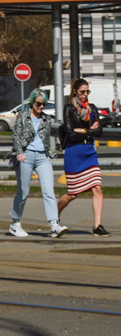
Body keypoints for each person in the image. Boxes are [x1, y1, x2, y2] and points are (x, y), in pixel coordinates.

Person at [7, 89, 66, 237]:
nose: (41, 107)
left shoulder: (46, 119)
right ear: (32, 102)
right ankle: (15, 223)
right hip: (26, 156)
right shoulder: (23, 116)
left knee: (49, 191)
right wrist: (19, 152)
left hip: (43, 157)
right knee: (23, 192)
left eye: (44, 104)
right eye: (39, 104)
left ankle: (54, 224)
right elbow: (16, 136)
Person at [58, 78, 108, 235]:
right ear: (75, 92)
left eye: (87, 92)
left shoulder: (92, 108)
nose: (85, 95)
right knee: (73, 194)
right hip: (74, 153)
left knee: (97, 188)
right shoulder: (68, 109)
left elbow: (99, 131)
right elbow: (70, 133)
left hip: (89, 152)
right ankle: (54, 216)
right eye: (82, 92)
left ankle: (97, 226)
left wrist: (84, 131)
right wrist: (85, 130)